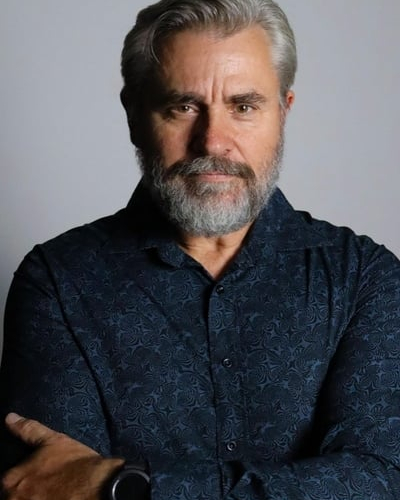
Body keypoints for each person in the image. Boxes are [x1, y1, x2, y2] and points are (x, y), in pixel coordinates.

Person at [1, 0, 400, 499]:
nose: (212, 142)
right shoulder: (57, 282)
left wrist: (129, 486)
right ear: (133, 114)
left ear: (284, 112)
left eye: (244, 106)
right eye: (184, 107)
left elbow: (381, 479)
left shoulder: (363, 278)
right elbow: (51, 489)